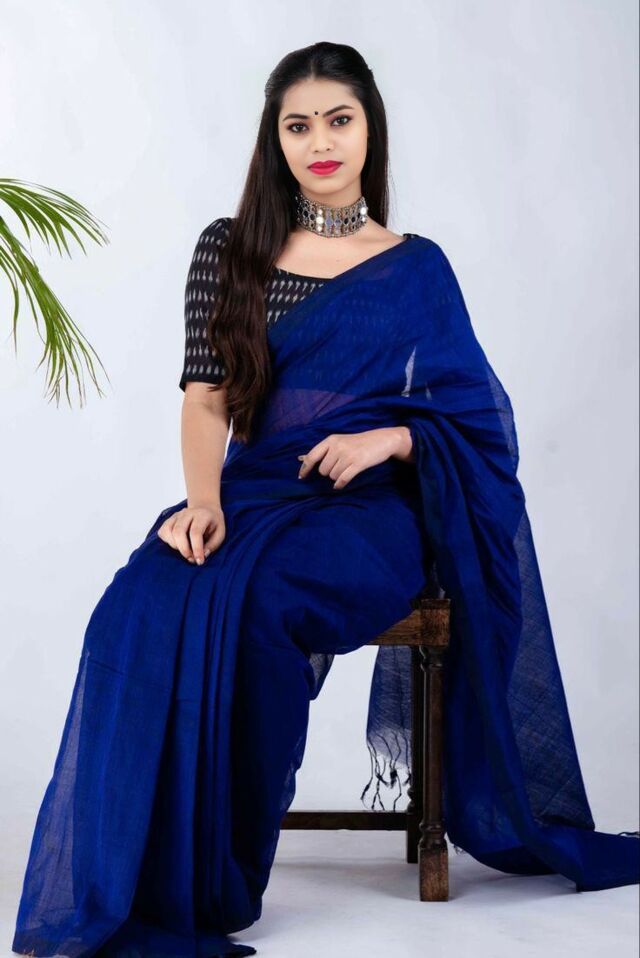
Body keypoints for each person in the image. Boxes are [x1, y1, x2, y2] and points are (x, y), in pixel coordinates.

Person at [12, 40, 639, 958]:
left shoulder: (415, 267)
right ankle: (131, 876)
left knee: (264, 603)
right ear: (275, 139)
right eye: (298, 125)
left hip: (375, 514)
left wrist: (394, 438)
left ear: (369, 129)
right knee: (133, 607)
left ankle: (220, 875)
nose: (320, 142)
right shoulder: (231, 249)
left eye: (338, 121)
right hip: (253, 494)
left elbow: (478, 422)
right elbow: (205, 396)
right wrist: (202, 502)